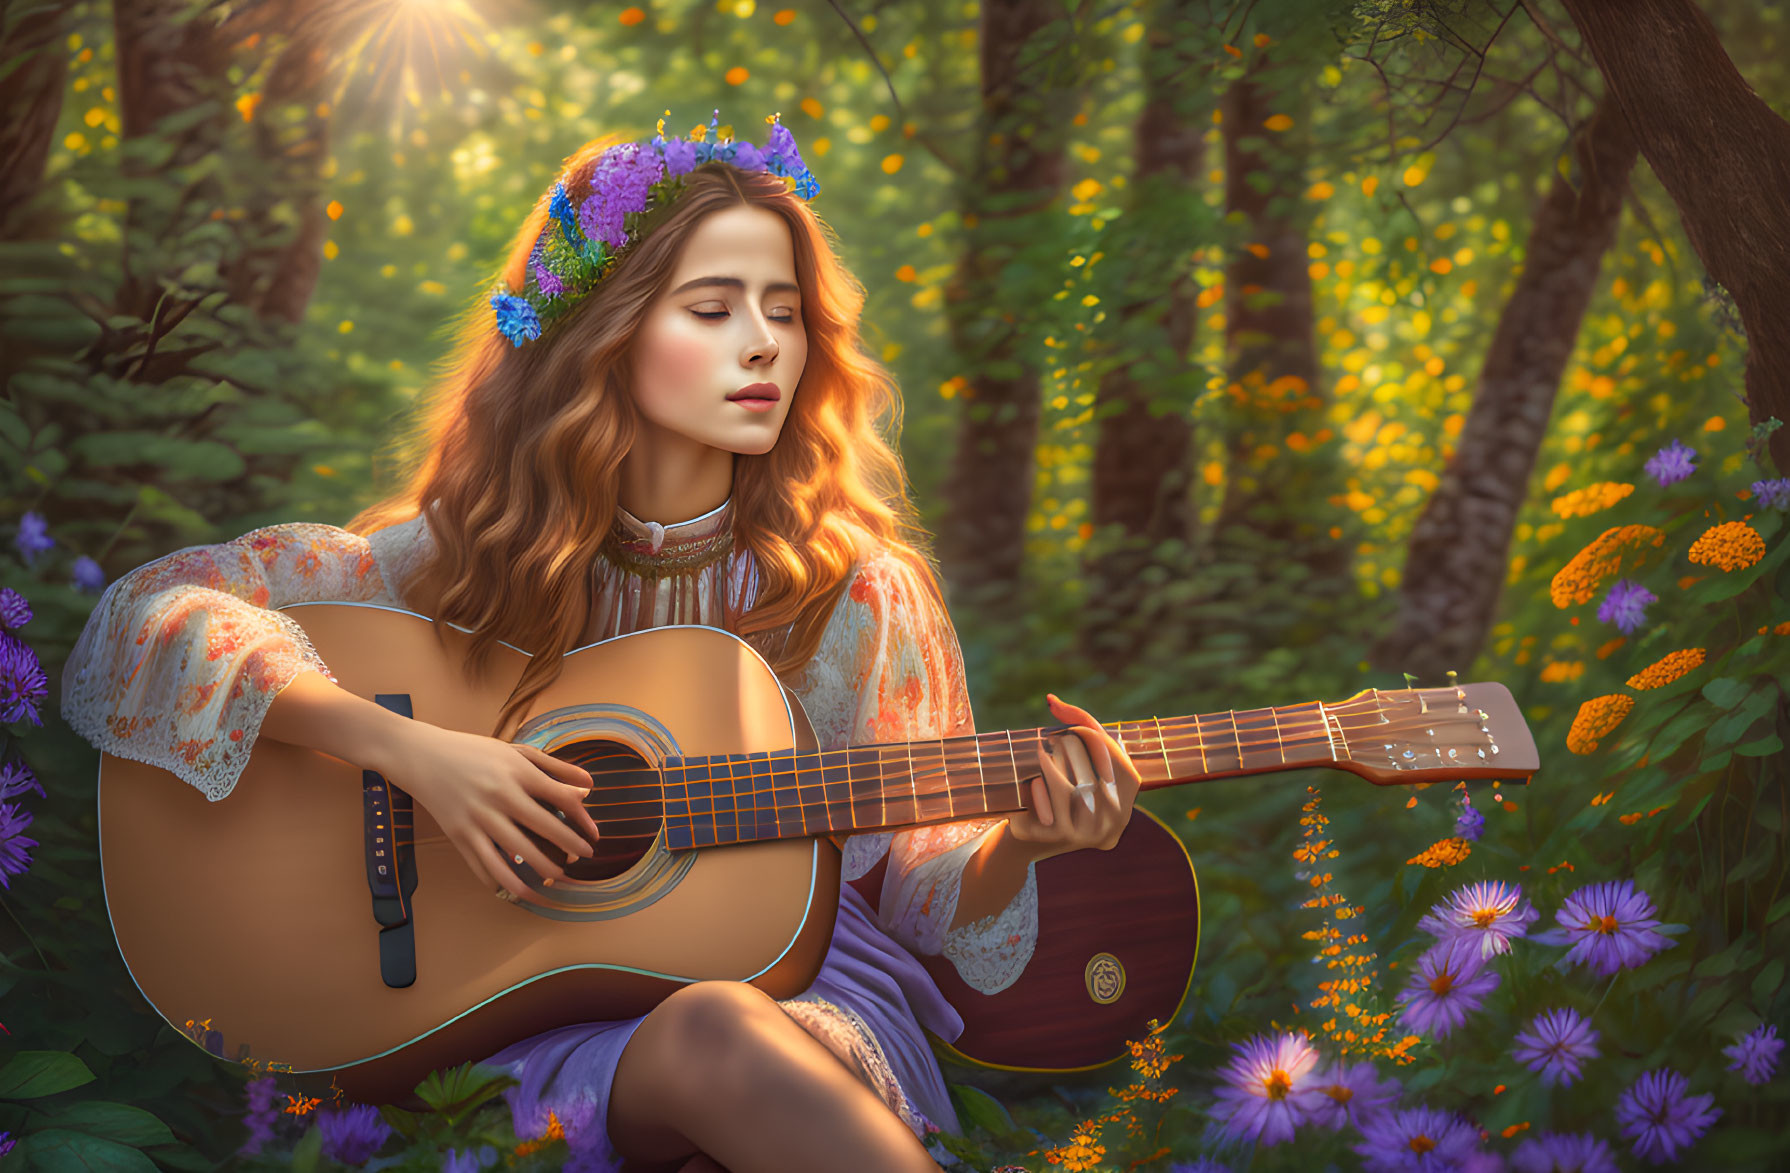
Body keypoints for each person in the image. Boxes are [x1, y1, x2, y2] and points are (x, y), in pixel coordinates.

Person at [60, 110, 1141, 1173]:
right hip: (508, 1017)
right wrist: (407, 752)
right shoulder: (445, 563)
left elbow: (920, 892)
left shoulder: (860, 594)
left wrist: (1025, 843)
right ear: (602, 331)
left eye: (784, 308)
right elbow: (138, 622)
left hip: (800, 1001)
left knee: (722, 1041)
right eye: (711, 309)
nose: (764, 342)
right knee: (706, 1052)